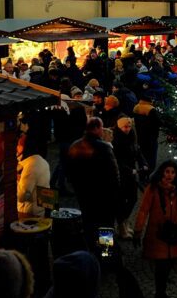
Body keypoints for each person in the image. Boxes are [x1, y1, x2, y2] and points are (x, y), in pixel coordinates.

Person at [133, 160, 177, 298]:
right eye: (167, 172)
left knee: (168, 266)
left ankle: (162, 293)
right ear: (161, 173)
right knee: (161, 268)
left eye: (172, 172)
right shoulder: (153, 189)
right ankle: (159, 297)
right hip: (158, 236)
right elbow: (143, 210)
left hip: (173, 236)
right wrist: (138, 231)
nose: (169, 175)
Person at [66, 117, 124, 249]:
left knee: (88, 223)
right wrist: (116, 196)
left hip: (83, 194)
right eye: (101, 128)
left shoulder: (75, 145)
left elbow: (69, 171)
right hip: (103, 196)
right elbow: (114, 175)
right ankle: (106, 253)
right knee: (105, 226)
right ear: (97, 128)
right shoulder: (104, 147)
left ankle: (91, 250)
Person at [112, 116, 149, 235]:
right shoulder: (116, 141)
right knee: (122, 201)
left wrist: (143, 163)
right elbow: (117, 160)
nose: (127, 129)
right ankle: (120, 227)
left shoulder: (132, 137)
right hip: (122, 175)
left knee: (133, 198)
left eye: (129, 126)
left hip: (131, 173)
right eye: (125, 127)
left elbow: (137, 151)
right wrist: (129, 170)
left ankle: (123, 223)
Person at [17, 136, 50, 216]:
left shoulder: (31, 166)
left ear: (22, 148)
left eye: (18, 145)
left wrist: (18, 181)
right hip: (41, 210)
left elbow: (23, 196)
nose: (16, 148)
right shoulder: (42, 161)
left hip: (30, 214)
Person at [132, 95, 161, 171]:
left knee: (142, 155)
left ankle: (142, 170)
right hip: (151, 137)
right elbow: (158, 122)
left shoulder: (136, 107)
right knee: (151, 156)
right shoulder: (151, 109)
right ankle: (150, 171)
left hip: (139, 136)